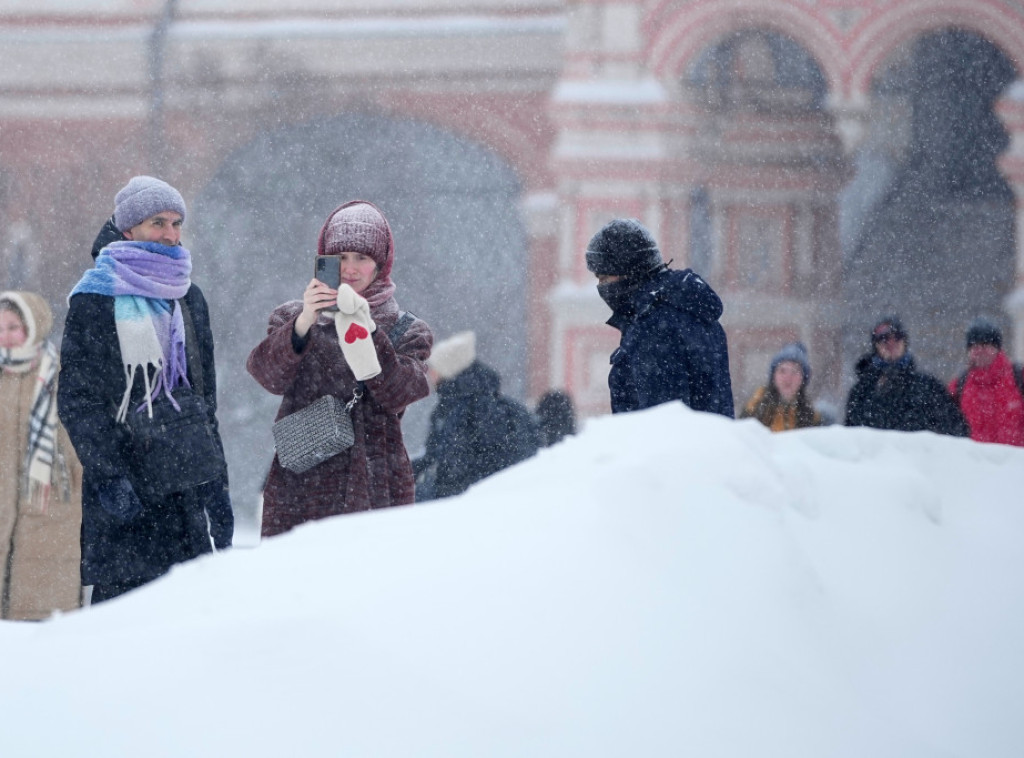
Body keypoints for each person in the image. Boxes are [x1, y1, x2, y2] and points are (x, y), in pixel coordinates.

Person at [58, 176, 233, 604]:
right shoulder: (94, 300)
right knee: (122, 628)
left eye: (176, 223)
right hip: (129, 489)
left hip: (186, 483)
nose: (171, 235)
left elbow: (203, 400)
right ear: (129, 228)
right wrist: (109, 476)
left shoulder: (189, 297)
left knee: (189, 625)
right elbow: (78, 401)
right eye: (159, 222)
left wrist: (216, 484)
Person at [247, 200, 432, 536]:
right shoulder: (293, 316)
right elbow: (267, 375)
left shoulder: (407, 329)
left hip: (376, 481)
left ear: (380, 264)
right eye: (340, 258)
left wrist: (369, 332)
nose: (349, 268)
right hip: (303, 480)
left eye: (361, 257)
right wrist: (304, 322)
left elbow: (399, 393)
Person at [585, 218, 734, 417]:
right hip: (710, 445)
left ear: (628, 272)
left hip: (672, 448)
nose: (602, 287)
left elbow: (662, 421)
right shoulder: (691, 309)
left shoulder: (654, 325)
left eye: (604, 278)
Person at [0, 291, 83, 619]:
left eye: (13, 326)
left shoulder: (59, 376)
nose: (5, 335)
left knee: (37, 614)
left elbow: (77, 443)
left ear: (34, 327)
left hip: (49, 508)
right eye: (0, 327)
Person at [413, 331, 541, 501]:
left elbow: (459, 466)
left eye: (433, 369)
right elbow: (436, 456)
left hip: (472, 502)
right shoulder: (450, 408)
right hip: (463, 497)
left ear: (448, 371)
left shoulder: (470, 409)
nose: (429, 375)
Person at [845, 315, 968, 437]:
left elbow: (955, 429)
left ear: (905, 342)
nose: (891, 343)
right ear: (875, 345)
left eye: (897, 337)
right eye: (884, 338)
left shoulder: (927, 387)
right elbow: (852, 439)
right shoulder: (861, 392)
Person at [948, 317, 1024, 446]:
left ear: (998, 349)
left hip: (1015, 461)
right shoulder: (958, 387)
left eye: (986, 345)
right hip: (976, 462)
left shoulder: (1019, 377)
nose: (980, 351)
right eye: (975, 346)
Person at [740, 342, 822, 431]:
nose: (788, 378)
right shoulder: (756, 406)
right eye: (782, 371)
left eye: (795, 372)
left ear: (803, 379)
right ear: (774, 376)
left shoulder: (810, 416)